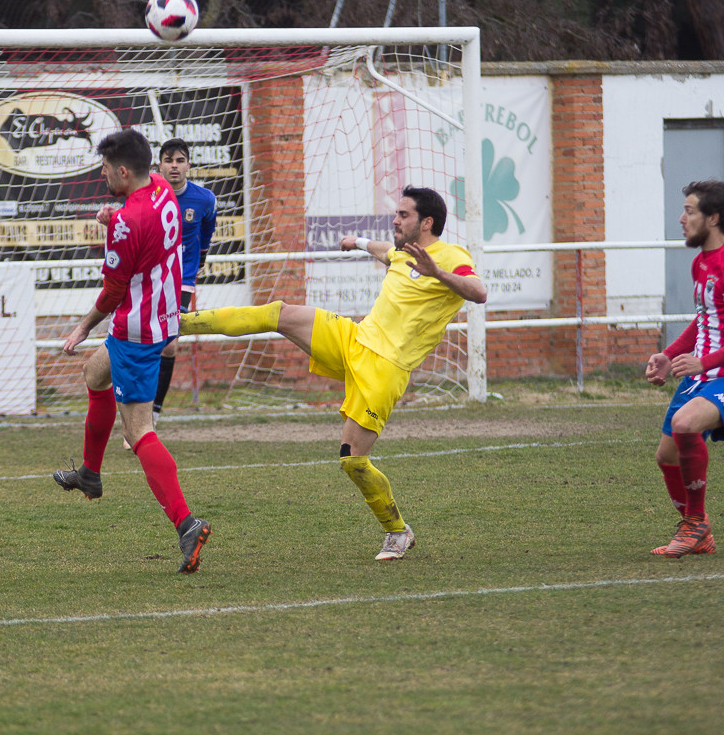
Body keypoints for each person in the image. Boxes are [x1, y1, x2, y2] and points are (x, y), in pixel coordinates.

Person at [180, 186, 487, 561]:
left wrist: (436, 272)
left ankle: (397, 532)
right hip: (355, 338)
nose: (395, 219)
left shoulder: (452, 256)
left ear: (427, 222)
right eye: (396, 213)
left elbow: (479, 292)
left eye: (404, 215)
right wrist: (355, 241)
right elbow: (382, 250)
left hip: (385, 370)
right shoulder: (401, 252)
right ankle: (178, 323)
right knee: (281, 313)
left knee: (352, 460)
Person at [52, 128, 212, 574]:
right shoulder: (160, 187)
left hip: (136, 329)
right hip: (162, 316)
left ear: (123, 171)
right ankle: (90, 472)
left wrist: (83, 327)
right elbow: (139, 220)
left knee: (140, 430)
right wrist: (114, 213)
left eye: (104, 169)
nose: (101, 173)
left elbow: (112, 290)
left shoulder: (128, 222)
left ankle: (186, 522)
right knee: (94, 376)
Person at [643, 179, 724, 558]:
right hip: (700, 375)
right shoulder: (700, 263)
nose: (681, 218)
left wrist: (705, 362)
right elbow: (704, 320)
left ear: (714, 217)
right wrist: (668, 353)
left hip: (717, 373)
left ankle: (695, 525)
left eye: (689, 211)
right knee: (667, 455)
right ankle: (698, 532)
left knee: (686, 424)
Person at [145, 138, 217, 438]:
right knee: (140, 341)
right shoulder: (148, 195)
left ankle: (153, 414)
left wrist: (198, 262)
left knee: (170, 343)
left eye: (180, 160)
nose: (174, 166)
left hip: (182, 279)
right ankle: (132, 407)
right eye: (168, 160)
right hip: (148, 276)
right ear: (159, 164)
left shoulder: (205, 199)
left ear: (188, 164)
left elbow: (207, 232)